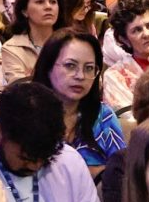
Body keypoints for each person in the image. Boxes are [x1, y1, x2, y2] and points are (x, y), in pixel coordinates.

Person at [37, 31, 126, 175]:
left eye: (89, 68)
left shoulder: (104, 116)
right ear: (48, 66)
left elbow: (122, 173)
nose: (80, 76)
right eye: (70, 66)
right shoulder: (27, 114)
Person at [0, 0, 63, 85]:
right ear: (24, 11)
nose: (48, 6)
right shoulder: (12, 49)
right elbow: (22, 89)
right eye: (40, 1)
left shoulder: (70, 43)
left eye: (53, 1)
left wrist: (33, 77)